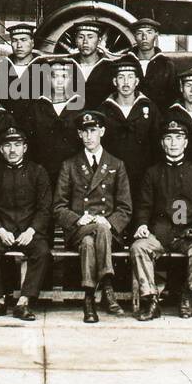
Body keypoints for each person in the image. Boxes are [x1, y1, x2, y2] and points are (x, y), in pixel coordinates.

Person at [129, 119, 192, 320]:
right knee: (138, 247)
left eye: (178, 138)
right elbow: (143, 205)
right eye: (168, 138)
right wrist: (142, 224)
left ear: (185, 143)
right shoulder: (152, 172)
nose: (173, 143)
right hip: (160, 233)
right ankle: (151, 300)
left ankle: (186, 292)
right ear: (162, 143)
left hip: (188, 233)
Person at [53, 111, 132, 323]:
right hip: (79, 229)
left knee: (91, 241)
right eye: (84, 132)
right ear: (79, 135)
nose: (88, 136)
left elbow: (125, 207)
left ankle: (89, 298)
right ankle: (107, 285)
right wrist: (78, 219)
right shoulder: (69, 165)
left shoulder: (117, 164)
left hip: (108, 233)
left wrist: (109, 221)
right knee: (91, 234)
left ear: (102, 132)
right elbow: (58, 206)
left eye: (93, 130)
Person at [0, 126, 53, 321]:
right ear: (1, 149)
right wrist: (0, 230)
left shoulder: (38, 172)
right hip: (1, 231)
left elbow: (45, 208)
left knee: (42, 252)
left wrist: (32, 230)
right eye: (8, 145)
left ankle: (24, 302)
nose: (12, 150)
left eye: (17, 145)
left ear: (25, 148)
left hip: (29, 231)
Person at [100, 58, 161, 199]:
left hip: (142, 172)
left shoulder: (149, 108)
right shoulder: (104, 109)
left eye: (130, 77)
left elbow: (157, 143)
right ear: (115, 82)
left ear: (137, 82)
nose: (126, 83)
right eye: (121, 78)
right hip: (113, 174)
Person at [27, 58, 84, 182]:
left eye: (64, 76)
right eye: (54, 76)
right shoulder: (37, 107)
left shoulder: (79, 107)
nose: (59, 81)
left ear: (70, 79)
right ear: (48, 79)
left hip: (73, 173)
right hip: (44, 171)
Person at [0, 22, 41, 128]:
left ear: (32, 42)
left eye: (23, 40)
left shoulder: (43, 67)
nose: (19, 45)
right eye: (15, 40)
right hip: (8, 127)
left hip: (37, 128)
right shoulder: (3, 68)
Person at [127, 17, 177, 110]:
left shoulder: (167, 65)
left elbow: (173, 98)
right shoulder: (124, 62)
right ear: (134, 36)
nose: (144, 37)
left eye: (149, 32)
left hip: (158, 121)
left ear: (156, 35)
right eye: (139, 33)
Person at [67, 21, 114, 110]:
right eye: (81, 37)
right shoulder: (65, 65)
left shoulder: (110, 67)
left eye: (90, 37)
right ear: (76, 41)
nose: (85, 42)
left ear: (99, 40)